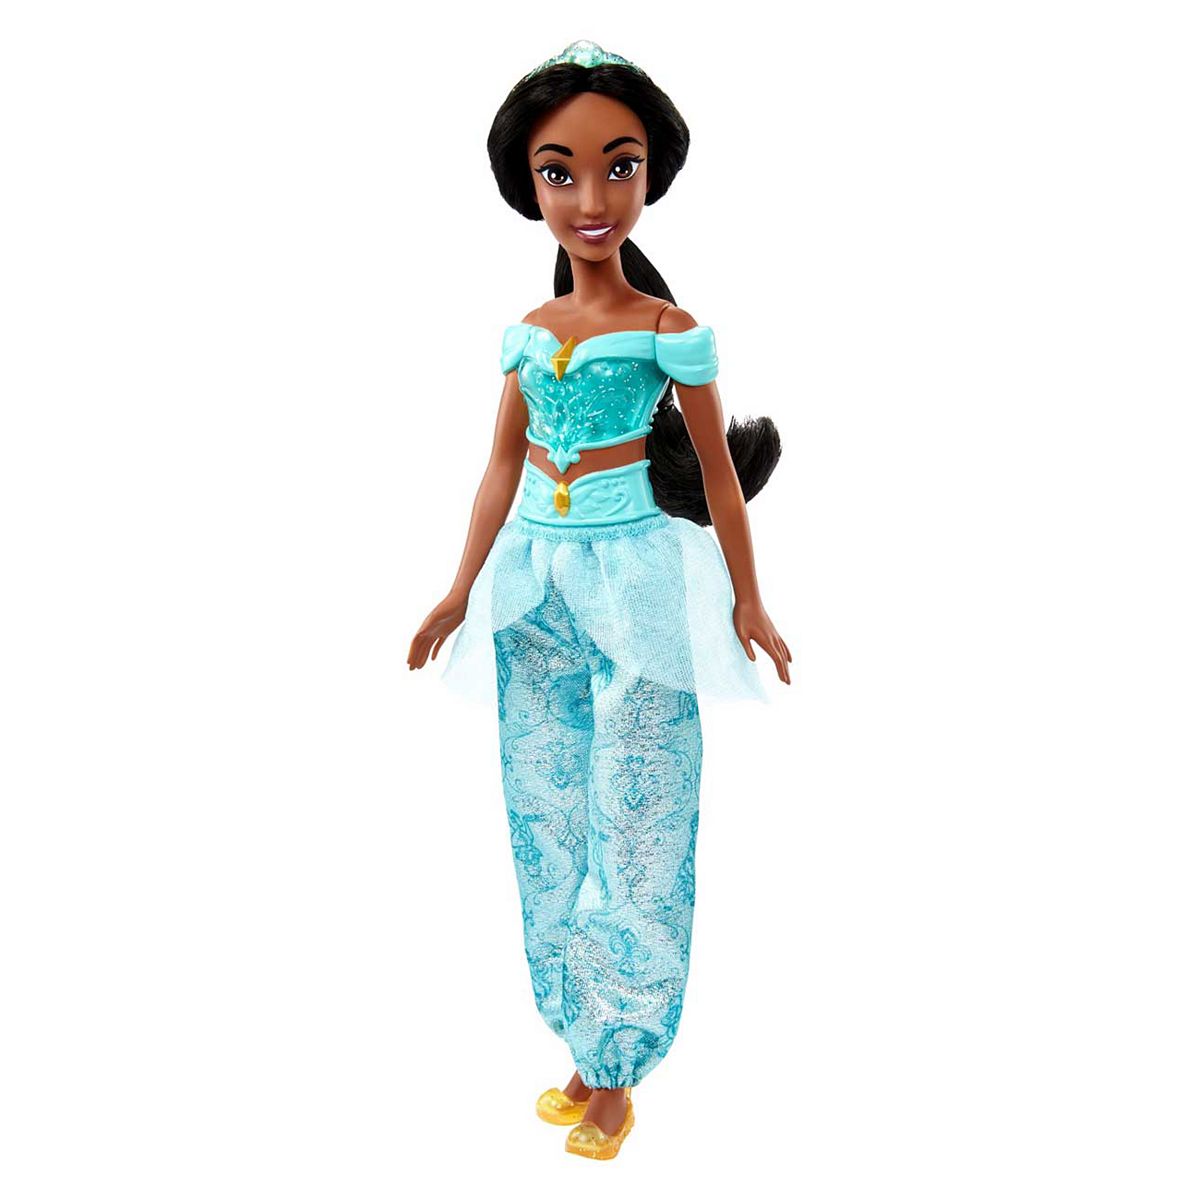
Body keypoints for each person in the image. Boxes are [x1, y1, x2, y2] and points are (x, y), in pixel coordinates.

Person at [407, 40, 792, 1160]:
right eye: (559, 172)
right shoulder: (530, 333)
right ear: (527, 184)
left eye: (618, 169)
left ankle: (621, 1059)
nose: (590, 199)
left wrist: (750, 600)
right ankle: (579, 1041)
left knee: (639, 819)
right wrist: (457, 588)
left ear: (650, 176)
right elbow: (500, 468)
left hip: (640, 593)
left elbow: (716, 474)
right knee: (544, 820)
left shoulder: (671, 334)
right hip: (530, 593)